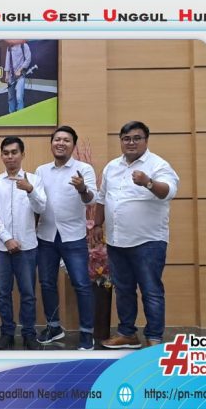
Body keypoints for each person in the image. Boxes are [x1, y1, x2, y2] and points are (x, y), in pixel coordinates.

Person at [94, 121, 179, 348]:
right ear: (121, 142)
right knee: (123, 290)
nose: (131, 142)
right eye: (126, 139)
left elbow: (169, 192)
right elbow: (102, 198)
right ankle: (127, 334)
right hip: (117, 241)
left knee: (151, 291)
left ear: (146, 140)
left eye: (136, 138)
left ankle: (154, 338)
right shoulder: (112, 167)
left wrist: (148, 183)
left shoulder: (158, 165)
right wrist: (98, 225)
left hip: (148, 242)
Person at [35, 125, 97, 351]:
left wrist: (82, 189)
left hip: (73, 236)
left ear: (73, 145)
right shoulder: (41, 171)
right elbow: (37, 202)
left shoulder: (84, 169)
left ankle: (87, 333)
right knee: (47, 283)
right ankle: (54, 327)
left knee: (81, 285)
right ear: (51, 143)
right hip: (46, 235)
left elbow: (91, 200)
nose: (61, 143)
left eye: (66, 140)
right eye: (57, 139)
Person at [0, 137, 46, 350]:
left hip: (27, 247)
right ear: (1, 156)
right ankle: (7, 334)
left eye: (14, 152)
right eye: (6, 153)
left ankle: (29, 334)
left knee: (28, 294)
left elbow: (41, 208)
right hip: (0, 247)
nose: (10, 156)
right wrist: (7, 238)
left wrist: (30, 190)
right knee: (3, 293)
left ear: (22, 154)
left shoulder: (34, 180)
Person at [5, 41, 31, 113]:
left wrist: (20, 70)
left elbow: (28, 59)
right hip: (11, 75)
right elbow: (7, 61)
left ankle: (20, 114)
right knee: (10, 97)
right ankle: (12, 114)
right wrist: (6, 74)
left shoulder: (24, 46)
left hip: (21, 75)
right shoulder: (9, 47)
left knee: (19, 97)